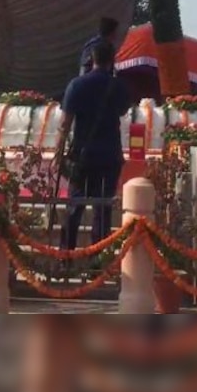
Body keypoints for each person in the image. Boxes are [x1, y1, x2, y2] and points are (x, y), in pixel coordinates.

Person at [54, 40, 131, 250]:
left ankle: (66, 256)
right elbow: (123, 111)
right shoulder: (118, 86)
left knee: (74, 207)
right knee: (103, 210)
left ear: (92, 59)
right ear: (111, 61)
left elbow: (64, 124)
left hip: (82, 157)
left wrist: (58, 153)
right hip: (109, 156)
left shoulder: (76, 85)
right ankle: (98, 260)